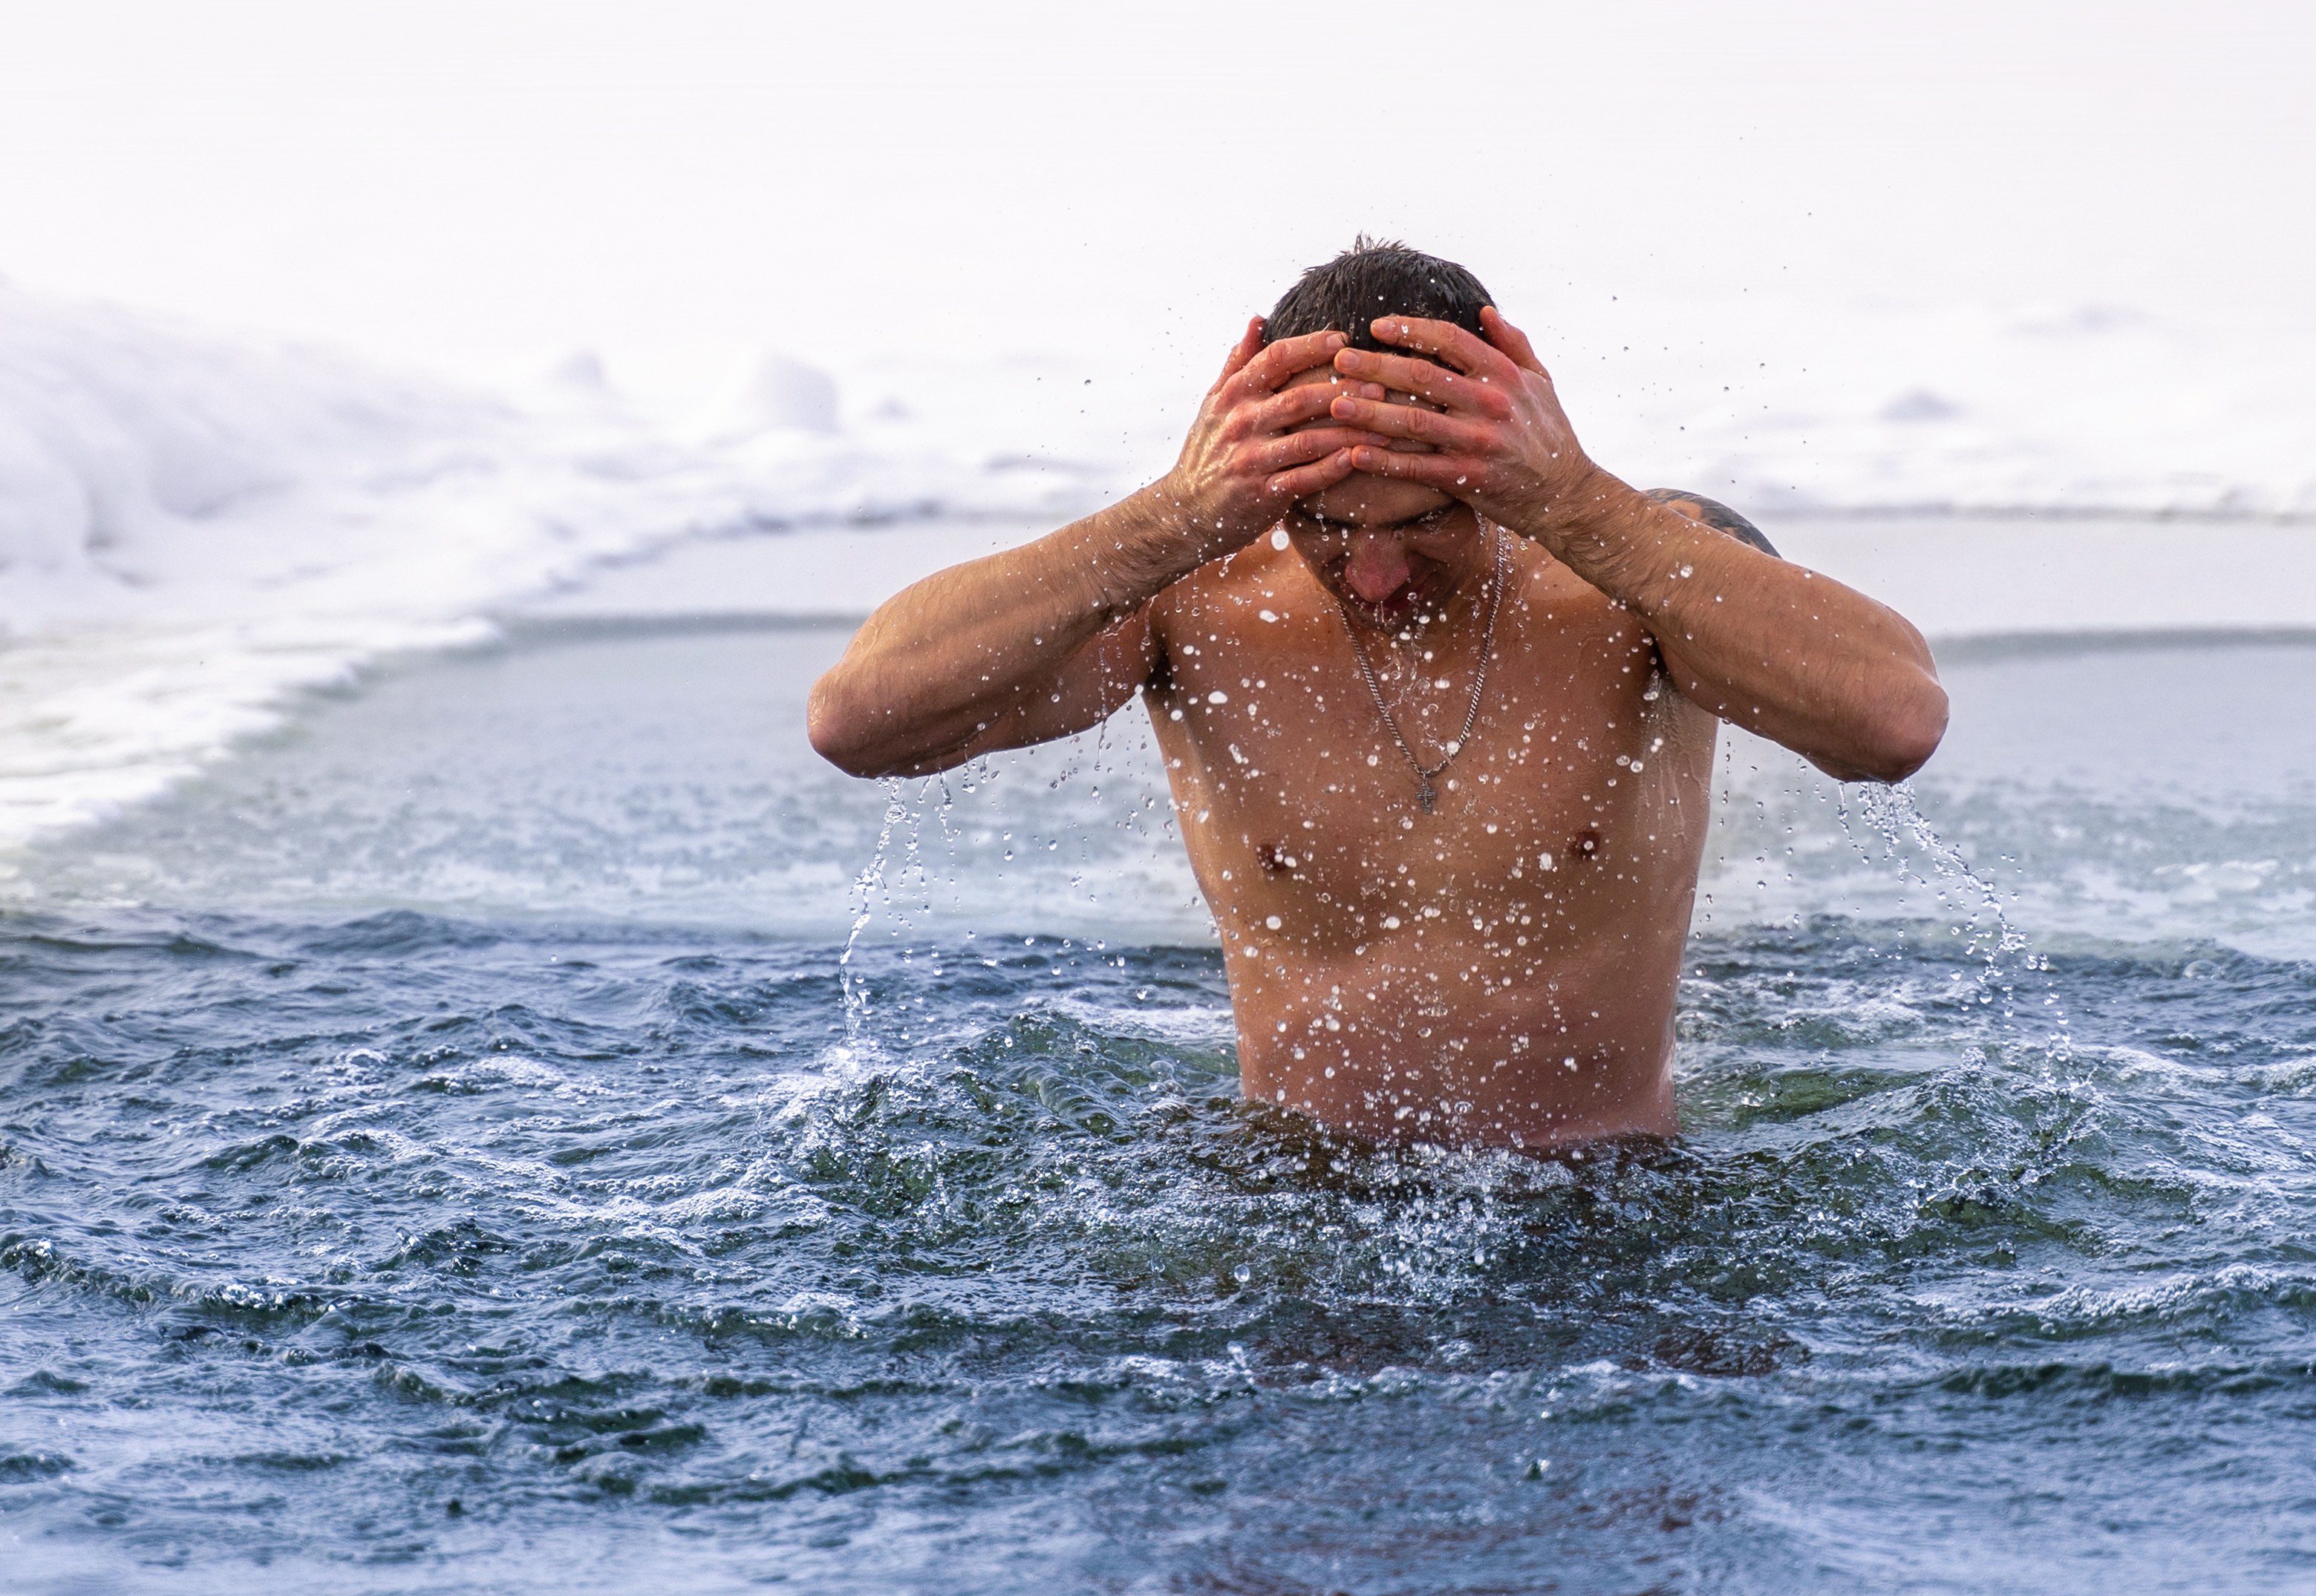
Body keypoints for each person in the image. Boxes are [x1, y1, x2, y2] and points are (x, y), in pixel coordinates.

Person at [808, 240, 1946, 1148]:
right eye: (1326, 524)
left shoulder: (1640, 576)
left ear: (1508, 450)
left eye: (1422, 521)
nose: (1376, 574)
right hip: (1291, 1198)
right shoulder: (1195, 602)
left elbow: (1893, 721)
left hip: (1606, 1204)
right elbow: (860, 720)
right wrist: (1172, 516)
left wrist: (1579, 501)